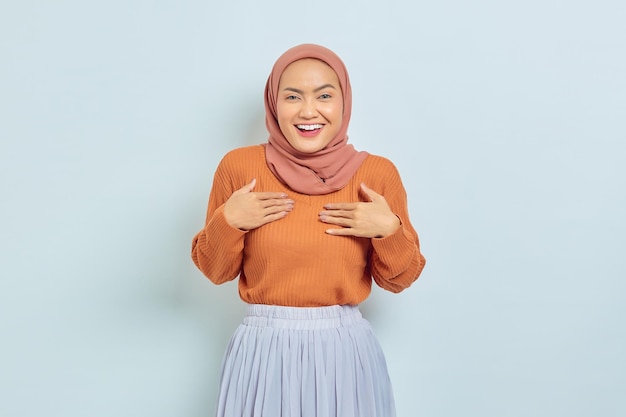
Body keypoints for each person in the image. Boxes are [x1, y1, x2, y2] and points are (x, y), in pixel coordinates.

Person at [191, 43, 426, 417]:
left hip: (344, 350)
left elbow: (400, 279)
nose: (308, 110)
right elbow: (215, 270)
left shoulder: (377, 174)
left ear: (344, 102)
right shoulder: (239, 167)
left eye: (324, 95)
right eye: (293, 96)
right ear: (273, 103)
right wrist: (228, 221)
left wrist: (389, 230)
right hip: (262, 350)